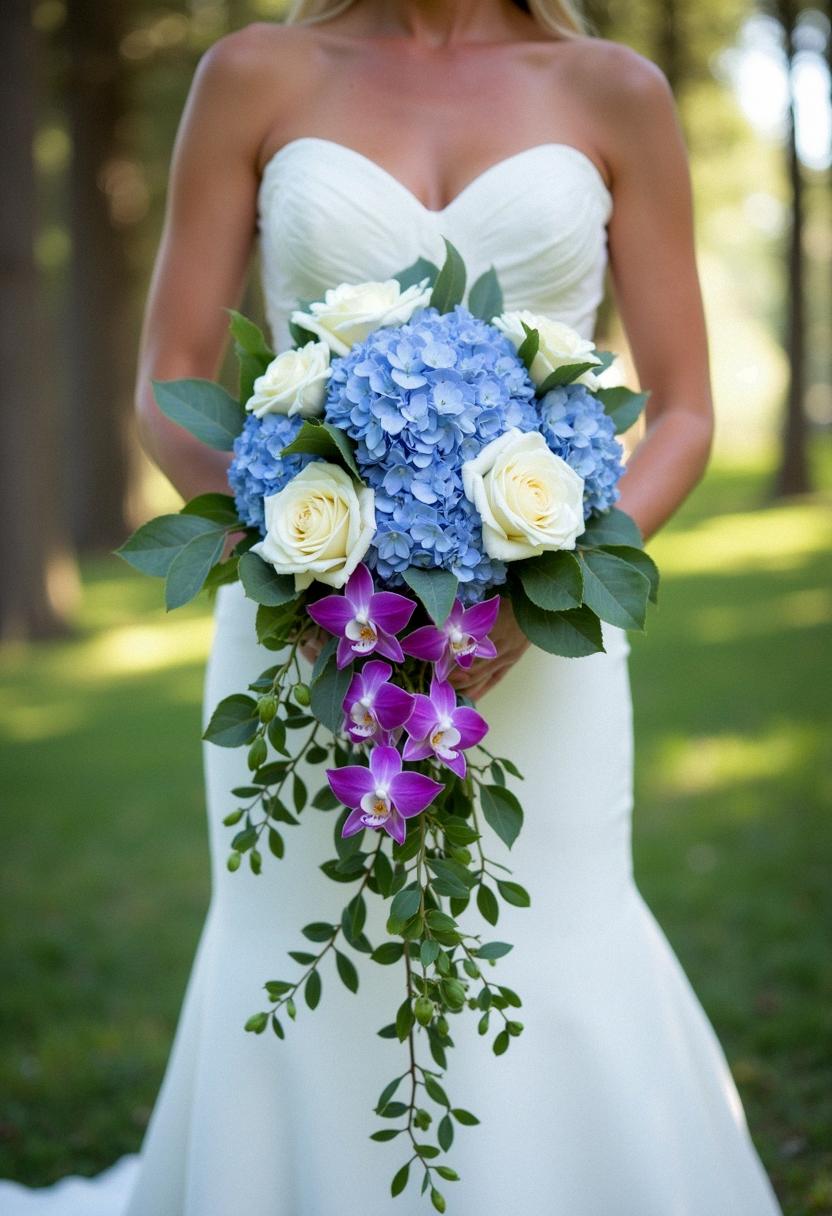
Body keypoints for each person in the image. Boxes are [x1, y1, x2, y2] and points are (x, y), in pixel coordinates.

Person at [0, 1, 785, 1213]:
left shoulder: (614, 88)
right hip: (308, 636)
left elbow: (680, 407)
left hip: (541, 648)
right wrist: (312, 577)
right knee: (294, 942)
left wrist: (536, 593)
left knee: (552, 941)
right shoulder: (253, 73)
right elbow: (170, 387)